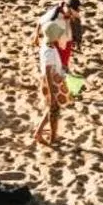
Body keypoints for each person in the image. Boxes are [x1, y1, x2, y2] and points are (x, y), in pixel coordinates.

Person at [33, 19, 69, 149]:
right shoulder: (49, 50)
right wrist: (53, 92)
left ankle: (38, 132)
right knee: (54, 110)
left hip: (53, 80)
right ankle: (53, 138)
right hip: (51, 82)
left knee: (51, 109)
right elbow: (48, 72)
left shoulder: (48, 46)